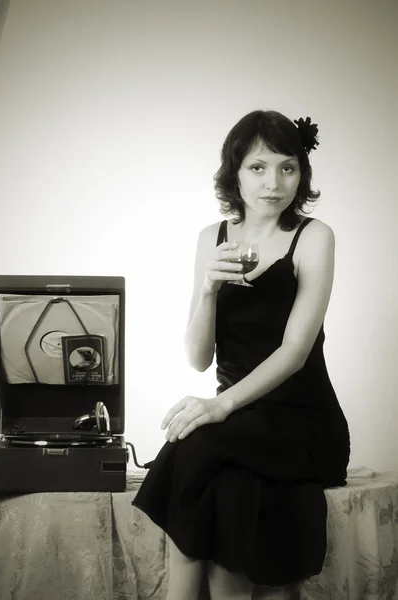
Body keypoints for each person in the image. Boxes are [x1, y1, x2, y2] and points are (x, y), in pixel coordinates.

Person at [132, 110, 351, 600]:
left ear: (302, 172)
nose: (273, 183)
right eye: (258, 167)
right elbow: (197, 358)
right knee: (222, 484)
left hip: (301, 420)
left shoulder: (313, 237)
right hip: (239, 426)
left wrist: (219, 406)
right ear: (234, 171)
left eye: (287, 167)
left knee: (192, 444)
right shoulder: (211, 238)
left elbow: (295, 352)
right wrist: (208, 288)